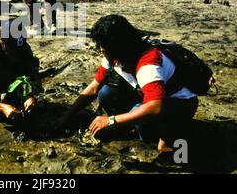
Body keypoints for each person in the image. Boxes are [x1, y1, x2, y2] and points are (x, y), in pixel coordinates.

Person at [57, 14, 199, 152]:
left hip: (180, 103)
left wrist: (111, 121)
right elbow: (94, 87)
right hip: (148, 95)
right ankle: (130, 124)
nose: (101, 50)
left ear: (119, 44)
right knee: (105, 93)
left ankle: (170, 136)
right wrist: (67, 115)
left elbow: (155, 107)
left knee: (143, 122)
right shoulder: (113, 56)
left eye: (104, 46)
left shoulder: (148, 64)